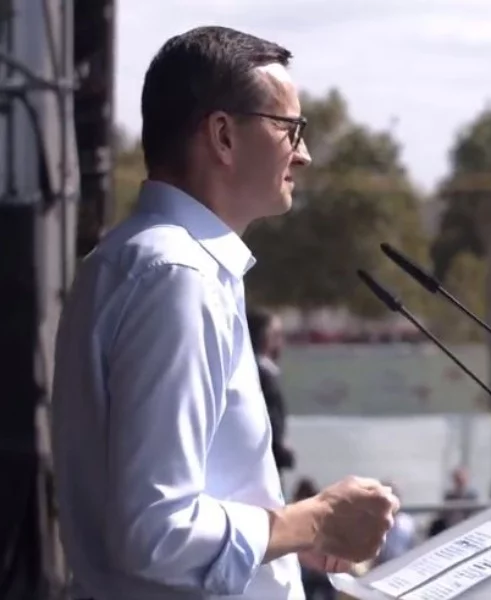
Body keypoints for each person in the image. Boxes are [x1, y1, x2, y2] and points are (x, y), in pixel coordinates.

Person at [51, 26, 398, 600]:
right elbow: (154, 533)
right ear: (223, 135)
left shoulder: (135, 260)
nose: (304, 154)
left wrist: (283, 542)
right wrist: (317, 519)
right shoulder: (177, 276)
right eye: (291, 129)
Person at [247, 308, 294, 478]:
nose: (281, 342)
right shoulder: (262, 376)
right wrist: (281, 451)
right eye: (276, 335)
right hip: (263, 469)